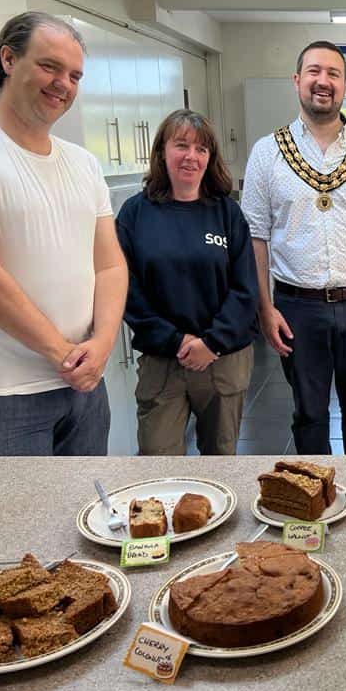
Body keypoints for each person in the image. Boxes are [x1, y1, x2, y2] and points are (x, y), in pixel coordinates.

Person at [0, 11, 128, 456]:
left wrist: (103, 343)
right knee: (14, 525)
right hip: (3, 395)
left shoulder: (82, 162)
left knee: (87, 520)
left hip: (84, 388)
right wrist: (62, 354)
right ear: (9, 59)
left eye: (74, 75)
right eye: (50, 67)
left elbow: (109, 264)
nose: (63, 85)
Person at [241, 40, 346, 454]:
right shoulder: (268, 152)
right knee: (309, 416)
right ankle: (315, 505)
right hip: (298, 307)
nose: (323, 81)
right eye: (314, 71)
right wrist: (265, 308)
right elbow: (254, 238)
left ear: (345, 85)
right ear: (297, 81)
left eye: (333, 73)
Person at [116, 110, 259, 455]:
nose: (190, 157)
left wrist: (212, 342)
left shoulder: (227, 213)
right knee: (158, 460)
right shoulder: (135, 214)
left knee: (220, 460)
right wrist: (176, 340)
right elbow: (126, 291)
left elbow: (245, 289)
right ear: (162, 152)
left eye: (201, 149)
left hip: (222, 359)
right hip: (163, 361)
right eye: (181, 146)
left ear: (210, 159)